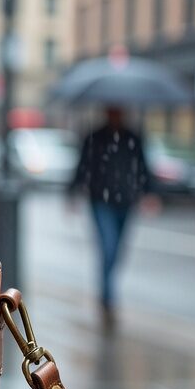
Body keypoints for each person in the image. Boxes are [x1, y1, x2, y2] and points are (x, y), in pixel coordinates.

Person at [70, 106, 155, 327]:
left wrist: (150, 192)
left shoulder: (133, 137)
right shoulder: (95, 137)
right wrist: (73, 191)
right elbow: (82, 166)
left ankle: (107, 294)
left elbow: (144, 167)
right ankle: (108, 299)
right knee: (107, 247)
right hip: (101, 201)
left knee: (117, 250)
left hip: (126, 201)